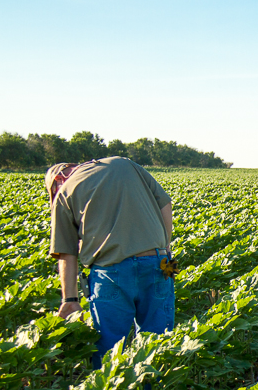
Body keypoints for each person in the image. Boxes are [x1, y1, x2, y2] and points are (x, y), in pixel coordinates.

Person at [46, 156, 175, 368]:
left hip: (110, 271)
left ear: (58, 179)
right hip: (160, 264)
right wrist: (165, 249)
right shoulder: (123, 163)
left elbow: (66, 253)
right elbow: (165, 204)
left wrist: (69, 298)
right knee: (157, 342)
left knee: (109, 348)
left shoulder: (64, 191)